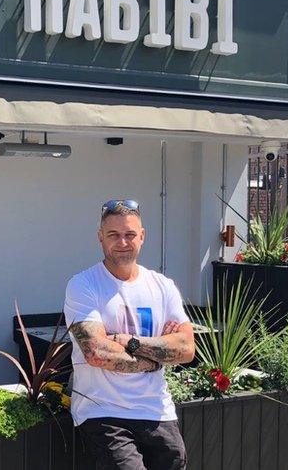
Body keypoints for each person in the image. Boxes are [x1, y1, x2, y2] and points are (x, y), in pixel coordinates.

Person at [64, 199, 194, 470]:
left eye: (129, 234)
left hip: (157, 410)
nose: (122, 242)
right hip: (103, 412)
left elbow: (185, 348)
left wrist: (132, 343)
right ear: (100, 237)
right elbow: (97, 353)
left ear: (142, 237)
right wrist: (155, 359)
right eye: (113, 234)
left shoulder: (162, 286)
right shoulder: (84, 285)